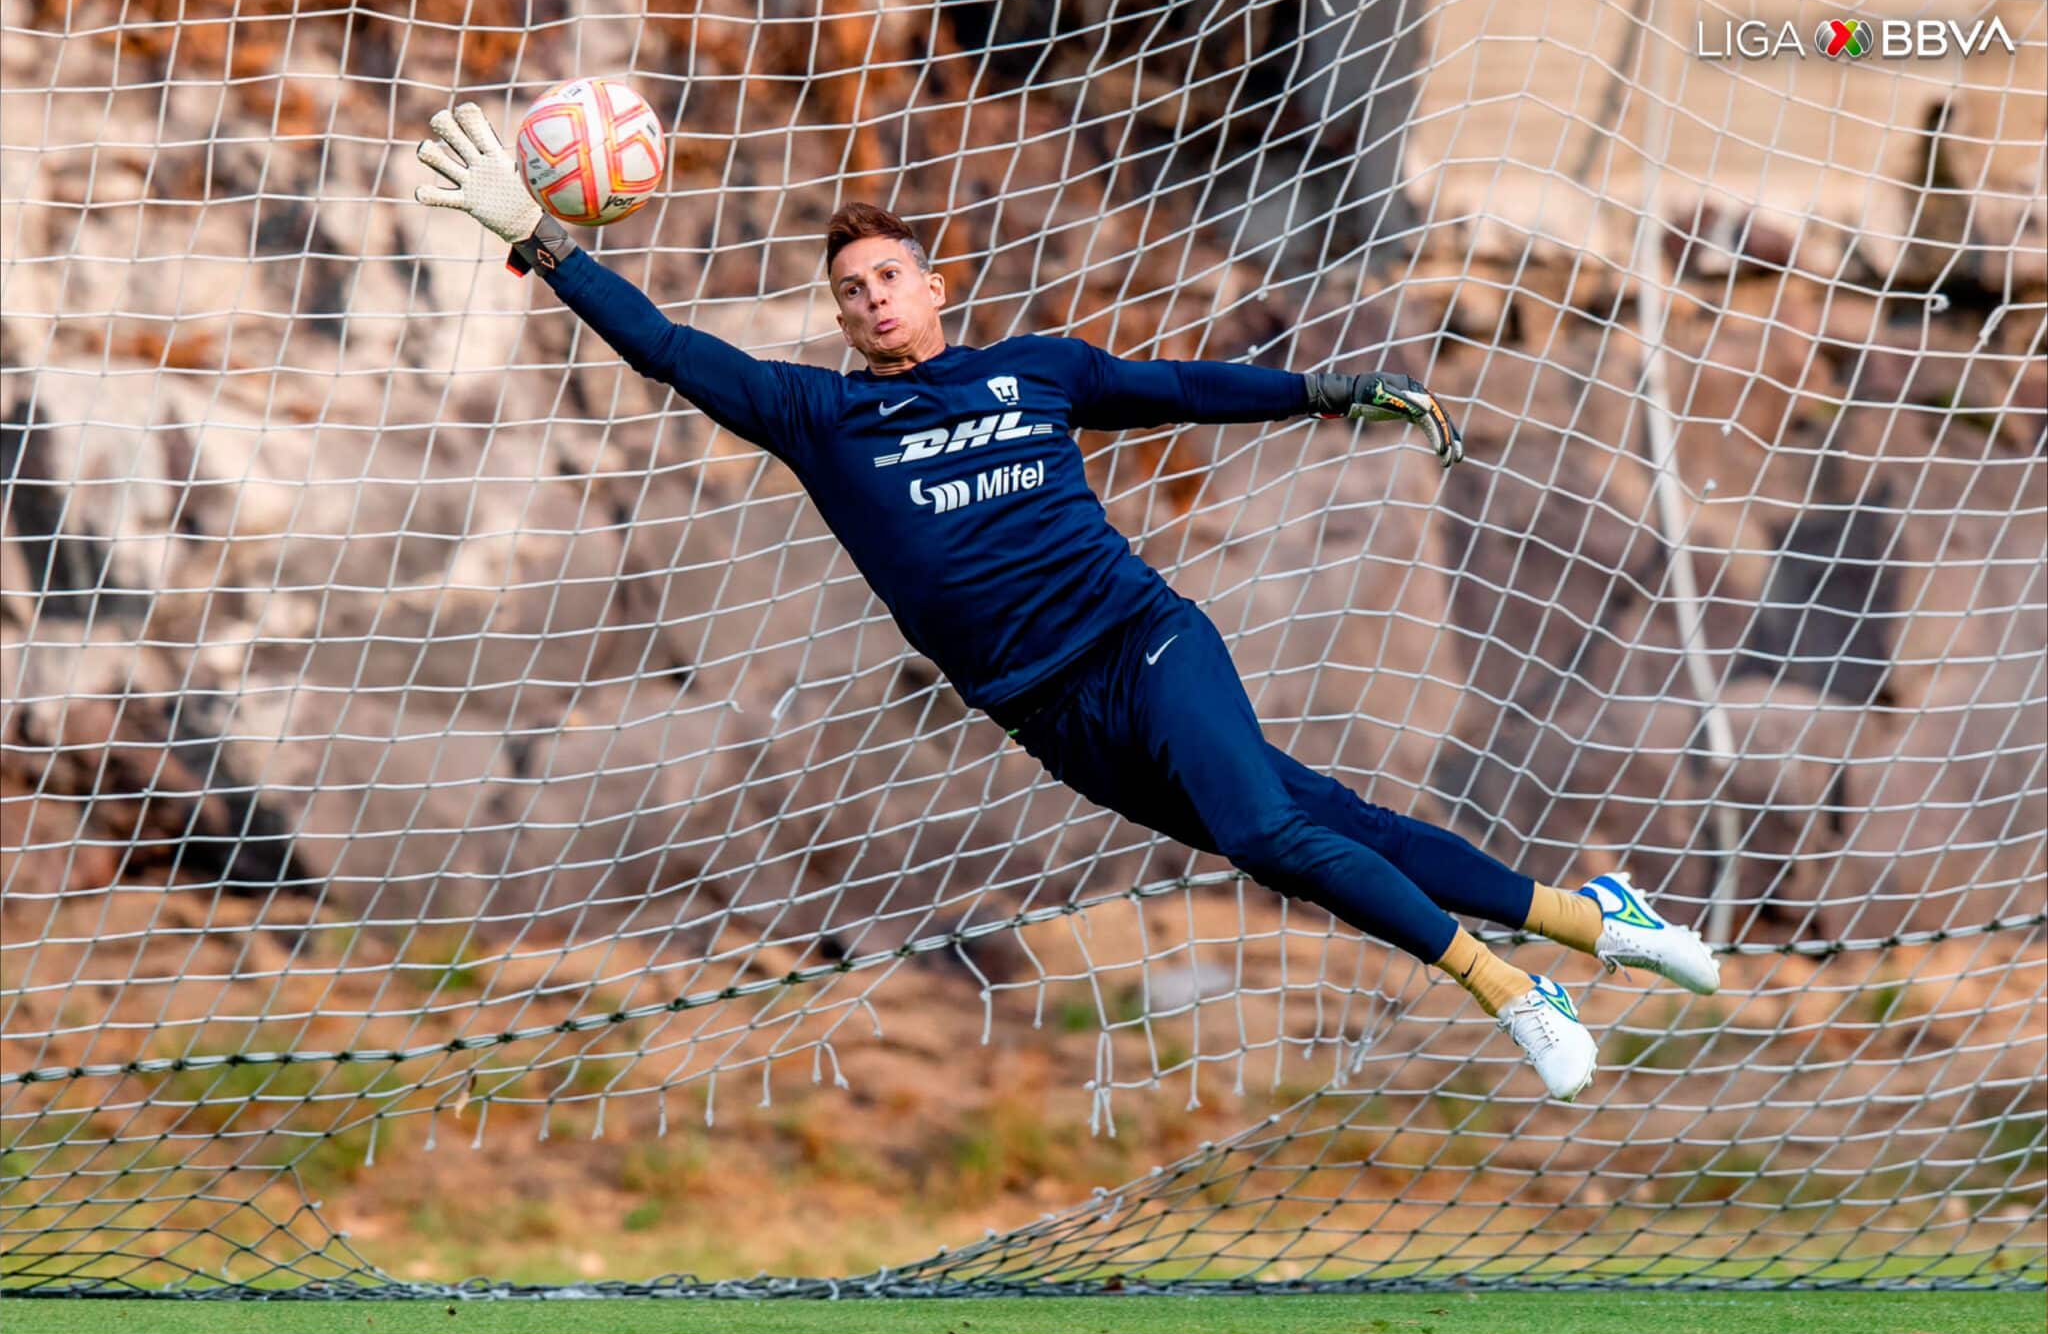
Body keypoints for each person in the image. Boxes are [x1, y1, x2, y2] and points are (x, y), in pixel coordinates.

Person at [415, 104, 1719, 1102]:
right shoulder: (821, 415)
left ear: (935, 288)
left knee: (1266, 831)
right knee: (1327, 818)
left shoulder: (1029, 375)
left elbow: (1182, 387)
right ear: (844, 317)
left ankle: (1507, 985)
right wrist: (543, 242)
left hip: (1143, 639)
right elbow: (668, 348)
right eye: (852, 288)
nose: (874, 297)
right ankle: (1591, 916)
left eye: (892, 275)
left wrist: (1325, 391)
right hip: (1051, 715)